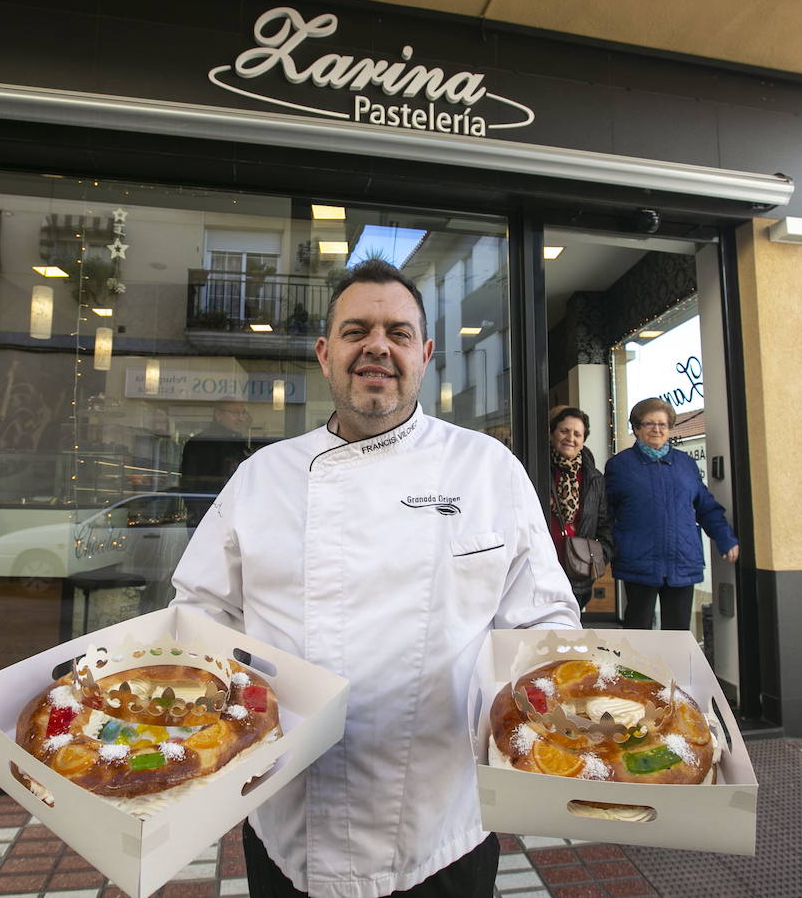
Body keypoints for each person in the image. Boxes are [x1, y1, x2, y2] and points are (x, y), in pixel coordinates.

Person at [171, 258, 580, 898]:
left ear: (426, 352)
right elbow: (198, 620)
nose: (377, 347)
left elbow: (545, 625)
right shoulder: (262, 478)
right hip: (290, 822)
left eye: (398, 331)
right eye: (357, 329)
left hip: (441, 826)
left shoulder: (486, 469)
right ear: (325, 352)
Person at [604, 398, 739, 631]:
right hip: (639, 563)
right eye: (649, 424)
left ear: (669, 429)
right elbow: (606, 512)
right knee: (637, 632)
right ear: (637, 429)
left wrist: (725, 538)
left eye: (662, 424)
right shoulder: (620, 465)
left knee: (677, 635)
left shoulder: (685, 464)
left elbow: (706, 506)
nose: (656, 429)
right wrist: (609, 548)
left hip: (682, 562)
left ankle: (673, 670)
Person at [546, 407, 614, 611]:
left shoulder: (594, 479)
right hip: (542, 571)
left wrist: (596, 557)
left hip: (577, 577)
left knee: (570, 637)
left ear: (583, 440)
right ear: (552, 433)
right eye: (564, 431)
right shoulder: (536, 469)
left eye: (577, 434)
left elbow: (605, 527)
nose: (570, 438)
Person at [178, 399, 254, 526]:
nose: (240, 418)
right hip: (208, 517)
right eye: (235, 413)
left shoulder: (238, 443)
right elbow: (192, 485)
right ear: (218, 415)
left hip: (231, 515)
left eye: (243, 413)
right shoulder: (201, 444)